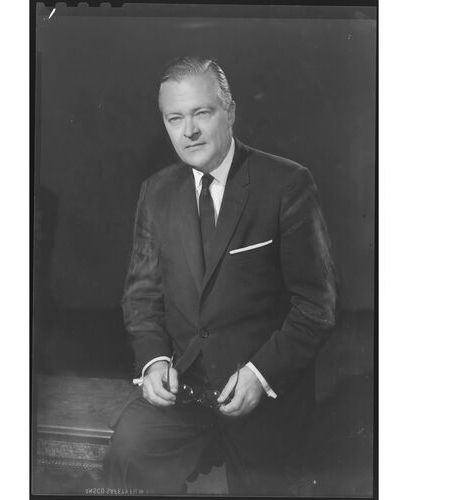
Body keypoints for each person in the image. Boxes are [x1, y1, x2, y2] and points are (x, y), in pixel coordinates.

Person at [103, 56, 337, 495]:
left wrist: (260, 375)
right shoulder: (156, 192)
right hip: (187, 391)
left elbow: (316, 306)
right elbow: (142, 295)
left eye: (202, 113)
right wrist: (154, 361)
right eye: (175, 118)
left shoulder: (287, 184)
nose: (188, 131)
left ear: (230, 112)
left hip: (264, 391)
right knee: (127, 454)